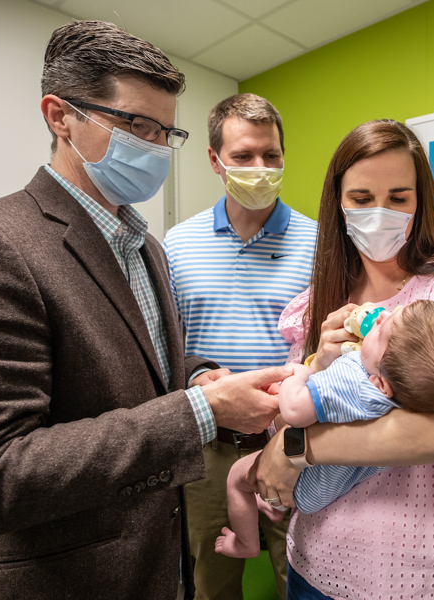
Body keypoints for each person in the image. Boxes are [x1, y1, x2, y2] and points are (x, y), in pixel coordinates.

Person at [0, 21, 291, 600]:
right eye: (136, 125)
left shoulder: (144, 245)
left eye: (165, 132)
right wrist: (200, 411)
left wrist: (198, 374)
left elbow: (143, 365)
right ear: (59, 115)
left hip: (156, 567)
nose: (154, 147)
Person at [248, 119, 434, 599]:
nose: (380, 213)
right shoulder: (318, 305)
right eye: (361, 198)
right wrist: (321, 368)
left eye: (399, 198)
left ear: (421, 202)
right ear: (338, 203)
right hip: (319, 561)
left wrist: (298, 446)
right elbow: (289, 413)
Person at [162, 93, 317, 600]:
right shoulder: (177, 244)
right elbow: (165, 345)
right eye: (245, 156)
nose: (261, 168)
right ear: (215, 160)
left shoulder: (320, 244)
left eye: (271, 156)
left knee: (301, 575)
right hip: (208, 447)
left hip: (295, 443)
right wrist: (197, 377)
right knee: (211, 580)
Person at [216, 299, 434, 558]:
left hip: (308, 481)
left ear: (381, 384)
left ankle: (245, 543)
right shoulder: (408, 396)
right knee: (266, 485)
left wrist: (297, 375)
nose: (380, 316)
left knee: (236, 478)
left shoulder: (352, 379)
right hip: (326, 485)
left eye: (382, 331)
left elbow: (294, 412)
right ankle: (274, 504)